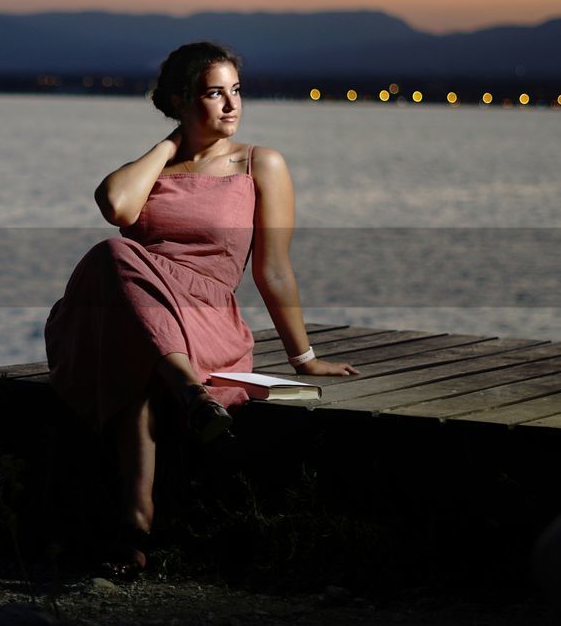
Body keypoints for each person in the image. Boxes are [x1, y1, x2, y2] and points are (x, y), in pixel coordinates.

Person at [43, 41, 359, 578]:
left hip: (207, 322)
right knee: (115, 258)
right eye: (215, 93)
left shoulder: (260, 164)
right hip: (144, 318)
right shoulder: (158, 166)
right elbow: (117, 206)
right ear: (180, 99)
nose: (232, 105)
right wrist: (169, 147)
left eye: (237, 90)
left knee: (128, 326)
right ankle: (141, 519)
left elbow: (273, 269)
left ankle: (136, 526)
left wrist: (303, 357)